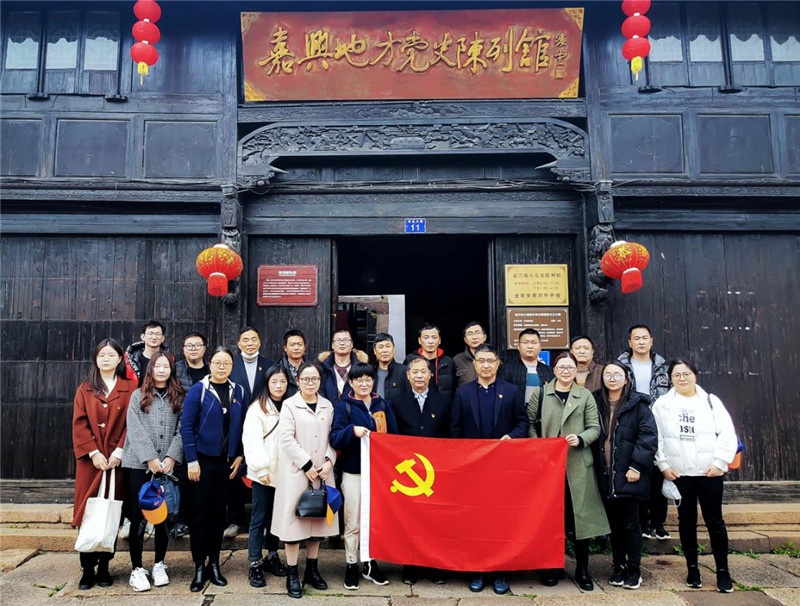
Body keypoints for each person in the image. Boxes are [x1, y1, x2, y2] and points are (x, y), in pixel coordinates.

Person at [652, 359, 738, 594]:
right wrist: (663, 464)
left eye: (686, 374)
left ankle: (723, 572)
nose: (682, 378)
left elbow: (727, 432)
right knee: (686, 522)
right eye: (677, 375)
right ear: (670, 379)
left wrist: (720, 462)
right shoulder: (662, 404)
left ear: (695, 375)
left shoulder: (710, 401)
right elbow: (656, 437)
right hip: (680, 473)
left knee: (715, 521)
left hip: (708, 472)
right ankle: (692, 569)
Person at [527, 351, 609, 592]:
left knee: (580, 518)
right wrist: (539, 446)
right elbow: (530, 423)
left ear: (576, 371)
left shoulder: (585, 396)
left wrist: (581, 438)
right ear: (553, 370)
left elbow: (595, 427)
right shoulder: (541, 393)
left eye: (570, 368)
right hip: (548, 466)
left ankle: (582, 569)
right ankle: (553, 566)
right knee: (552, 517)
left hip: (577, 465)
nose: (565, 371)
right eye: (561, 367)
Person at [450, 344, 528, 595]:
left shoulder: (512, 391)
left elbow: (522, 423)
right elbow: (455, 431)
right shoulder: (462, 393)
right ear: (474, 364)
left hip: (503, 469)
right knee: (475, 521)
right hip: (472, 470)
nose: (485, 365)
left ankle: (500, 571)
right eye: (481, 361)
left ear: (498, 364)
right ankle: (478, 569)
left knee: (501, 520)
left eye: (490, 361)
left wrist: (511, 437)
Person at [72, 338, 136, 590]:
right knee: (88, 512)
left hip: (117, 460)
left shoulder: (130, 387)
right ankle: (87, 568)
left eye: (111, 355)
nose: (106, 359)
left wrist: (120, 450)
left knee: (112, 512)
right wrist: (93, 452)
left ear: (120, 358)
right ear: (95, 359)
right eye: (101, 355)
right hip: (92, 463)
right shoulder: (85, 389)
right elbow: (79, 424)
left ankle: (104, 567)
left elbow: (133, 423)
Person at [180, 347, 245, 592]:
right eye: (217, 362)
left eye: (226, 363)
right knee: (199, 515)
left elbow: (242, 425)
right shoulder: (199, 390)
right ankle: (199, 566)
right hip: (201, 462)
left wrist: (239, 455)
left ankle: (215, 564)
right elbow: (186, 426)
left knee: (219, 514)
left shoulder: (238, 390)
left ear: (232, 366)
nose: (221, 367)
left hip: (226, 463)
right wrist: (191, 460)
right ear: (210, 363)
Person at [271, 362, 338, 599]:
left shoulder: (328, 405)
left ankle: (312, 569)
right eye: (306, 379)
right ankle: (292, 573)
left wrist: (329, 461)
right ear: (298, 381)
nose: (311, 383)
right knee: (294, 525)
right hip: (297, 472)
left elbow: (333, 436)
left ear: (320, 381)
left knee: (317, 522)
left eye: (315, 379)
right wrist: (307, 464)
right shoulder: (290, 405)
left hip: (322, 473)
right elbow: (286, 438)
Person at [330, 362, 398, 591]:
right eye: (359, 379)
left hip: (379, 475)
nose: (364, 383)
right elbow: (335, 438)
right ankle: (351, 563)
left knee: (375, 521)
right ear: (351, 382)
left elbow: (394, 439)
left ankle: (370, 562)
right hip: (353, 473)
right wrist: (352, 431)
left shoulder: (382, 405)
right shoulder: (344, 407)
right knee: (353, 522)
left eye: (368, 379)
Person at [121, 353, 184, 592]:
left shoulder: (178, 397)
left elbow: (182, 429)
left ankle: (159, 563)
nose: (161, 370)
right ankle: (137, 568)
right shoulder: (138, 396)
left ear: (171, 370)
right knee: (138, 517)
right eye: (157, 366)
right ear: (150, 369)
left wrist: (171, 457)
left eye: (166, 366)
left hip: (166, 466)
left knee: (162, 517)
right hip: (140, 465)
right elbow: (134, 429)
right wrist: (150, 458)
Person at [592, 362, 657, 591]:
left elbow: (648, 437)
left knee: (630, 523)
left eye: (617, 374)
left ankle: (634, 569)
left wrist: (636, 466)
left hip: (629, 473)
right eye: (608, 374)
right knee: (614, 525)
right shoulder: (595, 401)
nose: (612, 378)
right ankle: (618, 566)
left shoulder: (638, 404)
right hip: (605, 473)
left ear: (626, 379)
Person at [391, 355, 451, 585]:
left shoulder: (444, 401)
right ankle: (411, 565)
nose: (419, 376)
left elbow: (451, 434)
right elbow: (393, 436)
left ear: (430, 375)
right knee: (410, 519)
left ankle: (435, 565)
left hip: (437, 469)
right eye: (414, 372)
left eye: (423, 371)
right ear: (407, 376)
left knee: (436, 520)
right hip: (409, 471)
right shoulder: (397, 401)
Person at [617, 324, 671, 541]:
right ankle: (641, 523)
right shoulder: (621, 366)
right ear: (629, 342)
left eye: (644, 338)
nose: (641, 341)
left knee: (658, 473)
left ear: (651, 341)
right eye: (636, 338)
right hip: (633, 422)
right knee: (638, 470)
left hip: (659, 423)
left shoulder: (663, 367)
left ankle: (658, 523)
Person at [243, 365, 290, 587]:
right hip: (263, 474)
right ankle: (254, 562)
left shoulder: (290, 405)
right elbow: (251, 442)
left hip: (285, 473)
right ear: (267, 384)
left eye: (282, 381)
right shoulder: (257, 409)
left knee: (276, 518)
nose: (279, 386)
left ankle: (272, 555)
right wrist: (261, 469)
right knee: (259, 518)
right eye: (274, 382)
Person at [227, 327, 274, 538]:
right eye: (245, 340)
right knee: (236, 470)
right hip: (235, 424)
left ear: (260, 342)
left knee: (263, 471)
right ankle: (235, 520)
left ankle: (264, 521)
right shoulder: (231, 364)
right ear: (239, 344)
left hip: (264, 425)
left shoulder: (269, 364)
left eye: (253, 339)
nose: (250, 343)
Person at [172, 331, 209, 538]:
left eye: (197, 345)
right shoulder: (175, 370)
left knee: (204, 477)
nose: (193, 349)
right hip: (182, 427)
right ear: (183, 349)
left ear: (205, 348)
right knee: (182, 477)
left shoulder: (212, 369)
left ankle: (202, 519)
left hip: (207, 430)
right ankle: (180, 520)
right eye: (189, 345)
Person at [500, 328, 555, 404]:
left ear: (540, 346)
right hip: (515, 410)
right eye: (526, 342)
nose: (530, 346)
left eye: (534, 343)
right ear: (518, 346)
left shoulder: (548, 371)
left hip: (542, 410)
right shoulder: (507, 369)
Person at [403, 323, 455, 400]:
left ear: (439, 340)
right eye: (426, 337)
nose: (430, 341)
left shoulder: (448, 362)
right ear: (419, 340)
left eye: (434, 337)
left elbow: (454, 388)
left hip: (443, 404)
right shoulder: (410, 360)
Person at [318, 329, 369, 402]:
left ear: (351, 344)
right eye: (338, 340)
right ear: (332, 345)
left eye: (346, 340)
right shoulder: (323, 368)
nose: (342, 343)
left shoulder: (361, 368)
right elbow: (319, 393)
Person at [124, 320, 168, 387]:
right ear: (143, 337)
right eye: (150, 333)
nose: (154, 337)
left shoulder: (169, 359)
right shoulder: (130, 360)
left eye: (158, 334)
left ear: (162, 338)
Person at [372, 332, 406, 405]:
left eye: (388, 346)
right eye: (381, 347)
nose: (385, 350)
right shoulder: (370, 372)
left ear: (393, 349)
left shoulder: (404, 371)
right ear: (375, 351)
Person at [453, 321, 487, 386]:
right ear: (465, 340)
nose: (474, 337)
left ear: (484, 337)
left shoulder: (493, 358)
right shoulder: (457, 360)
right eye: (470, 334)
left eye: (477, 333)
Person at [279, 329, 307, 397]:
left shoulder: (311, 368)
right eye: (292, 345)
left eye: (300, 344)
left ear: (305, 347)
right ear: (285, 348)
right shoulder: (279, 368)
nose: (296, 348)